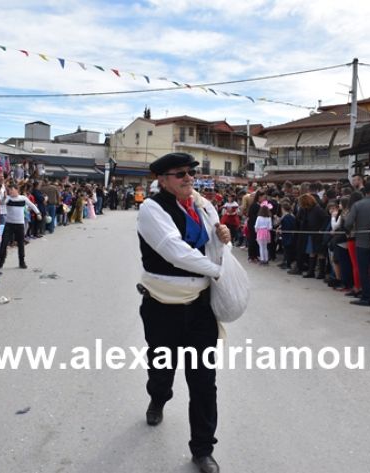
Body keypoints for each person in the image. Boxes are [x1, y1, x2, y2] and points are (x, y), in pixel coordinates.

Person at [136, 152, 231, 473]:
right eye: (180, 174)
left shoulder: (203, 205)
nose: (189, 177)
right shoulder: (151, 209)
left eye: (191, 172)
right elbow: (174, 251)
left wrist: (223, 240)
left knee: (204, 381)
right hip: (162, 306)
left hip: (200, 308)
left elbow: (215, 245)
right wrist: (217, 271)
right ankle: (159, 397)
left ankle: (203, 449)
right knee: (161, 367)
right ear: (162, 180)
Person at [345, 181, 370, 307]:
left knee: (363, 271)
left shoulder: (357, 205)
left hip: (361, 242)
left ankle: (366, 297)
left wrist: (349, 231)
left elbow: (348, 223)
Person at [0, 183, 41, 269]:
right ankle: (1, 261)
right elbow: (1, 205)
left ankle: (22, 262)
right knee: (4, 243)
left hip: (20, 224)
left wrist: (38, 213)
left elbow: (32, 205)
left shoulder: (23, 198)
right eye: (8, 190)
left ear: (17, 190)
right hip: (9, 224)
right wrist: (4, 197)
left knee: (21, 244)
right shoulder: (8, 199)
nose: (10, 192)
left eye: (11, 190)